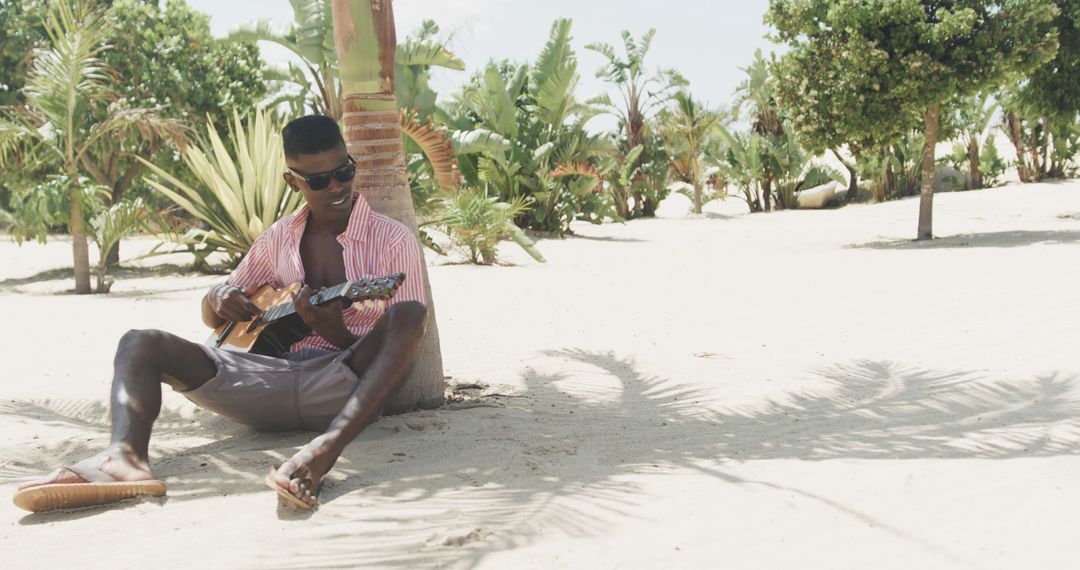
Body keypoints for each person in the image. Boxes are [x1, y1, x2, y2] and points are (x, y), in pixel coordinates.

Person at [13, 115, 429, 512]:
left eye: (344, 171)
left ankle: (321, 453)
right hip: (258, 378)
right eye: (319, 180)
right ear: (292, 181)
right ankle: (125, 458)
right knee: (139, 343)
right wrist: (218, 297)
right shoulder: (277, 238)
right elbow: (215, 317)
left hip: (340, 387)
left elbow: (401, 349)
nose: (337, 186)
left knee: (409, 314)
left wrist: (336, 333)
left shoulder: (392, 240)